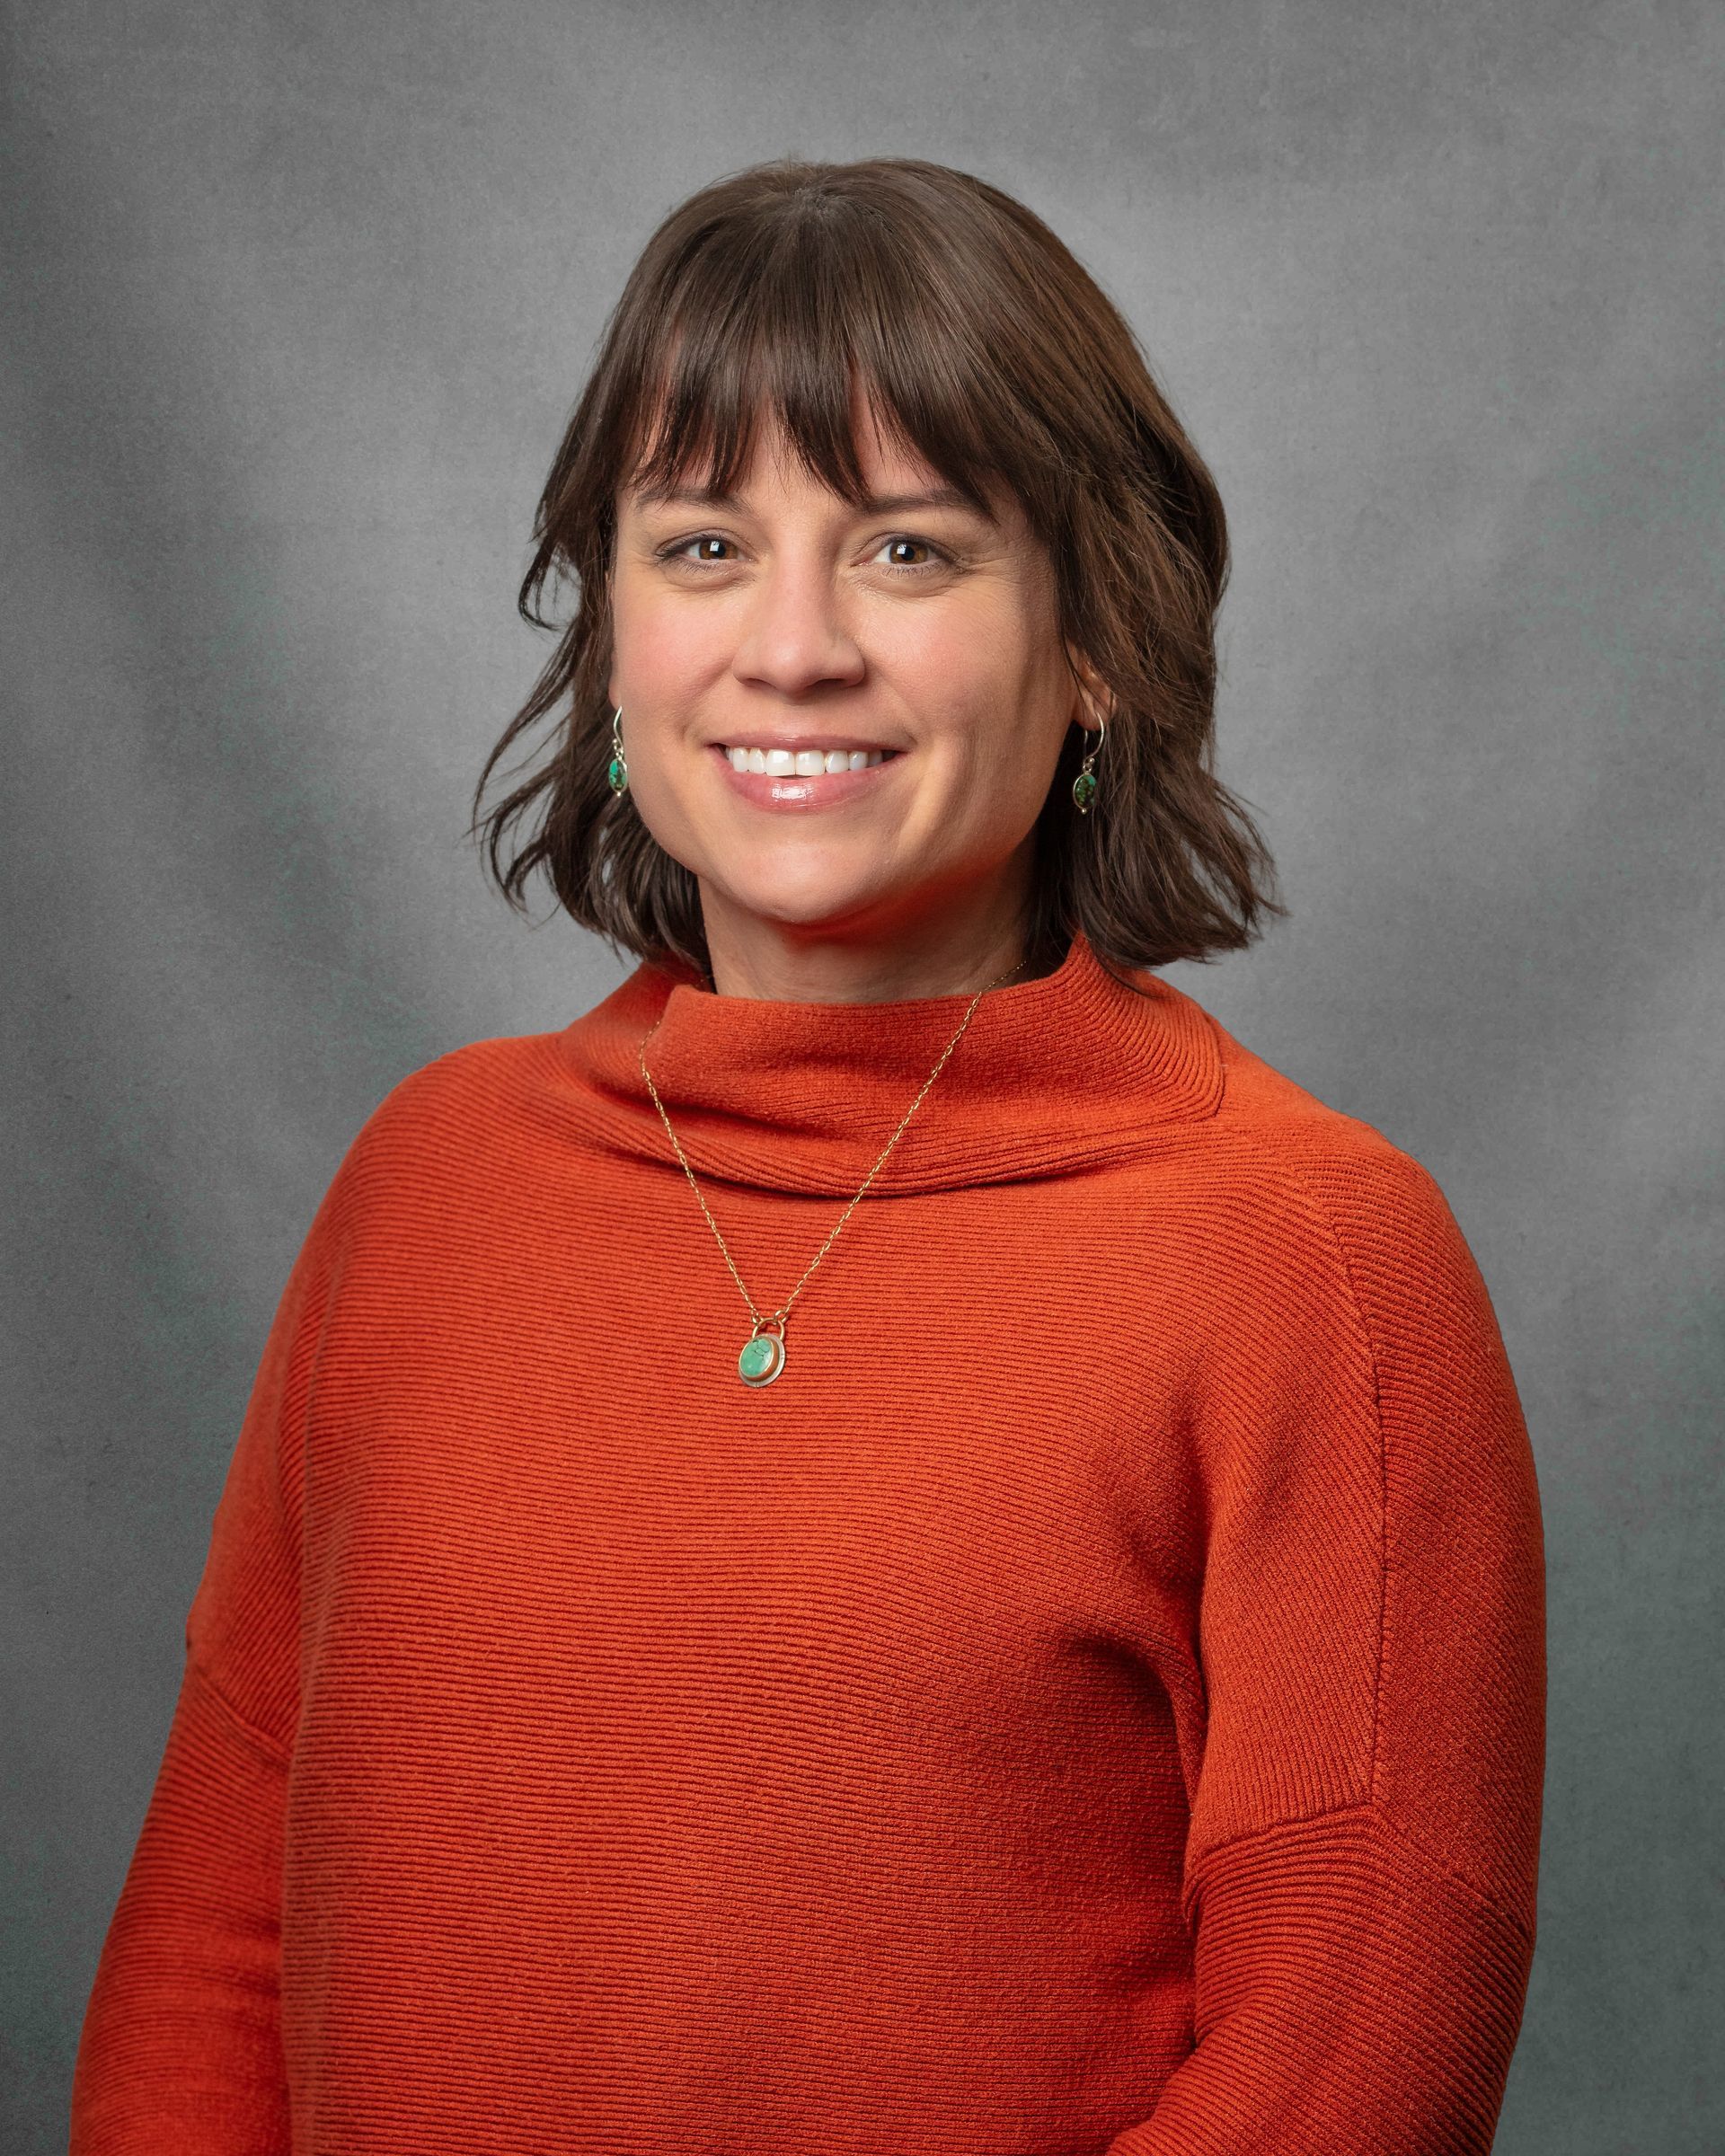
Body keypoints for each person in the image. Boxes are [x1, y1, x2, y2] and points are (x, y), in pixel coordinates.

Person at [70, 156, 1546, 2154]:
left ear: (1095, 642)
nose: (792, 648)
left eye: (908, 552)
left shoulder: (1314, 1262)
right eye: (702, 545)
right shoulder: (425, 1186)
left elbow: (1344, 2072)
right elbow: (210, 1958)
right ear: (615, 637)